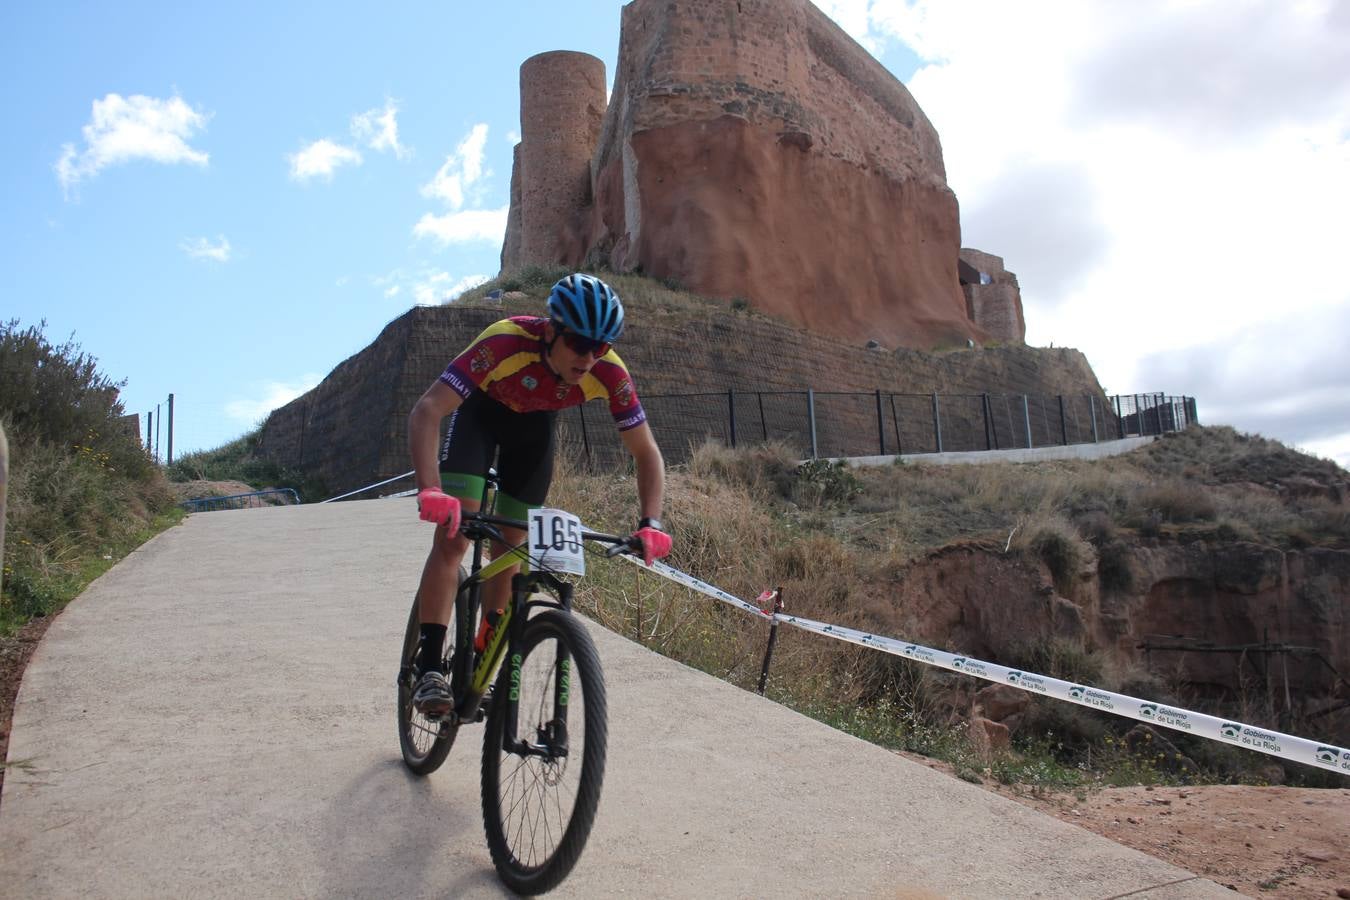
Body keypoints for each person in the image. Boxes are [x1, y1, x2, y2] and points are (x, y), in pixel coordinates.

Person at [406, 273, 672, 717]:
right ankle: (429, 665)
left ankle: (477, 662)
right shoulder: (506, 342)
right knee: (455, 538)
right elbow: (427, 410)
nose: (589, 357)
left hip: (533, 434)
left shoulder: (610, 371)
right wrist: (431, 489)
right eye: (580, 343)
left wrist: (652, 523)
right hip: (480, 417)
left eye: (600, 346)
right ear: (551, 331)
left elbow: (647, 453)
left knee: (511, 549)